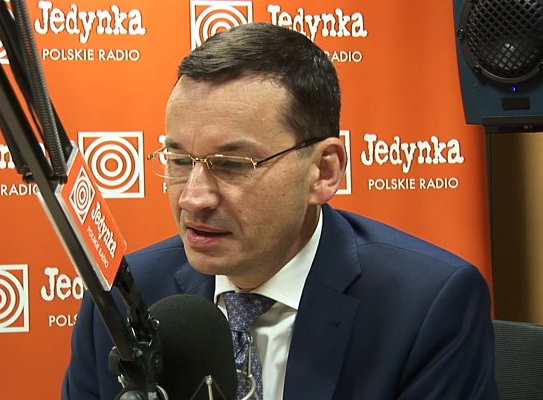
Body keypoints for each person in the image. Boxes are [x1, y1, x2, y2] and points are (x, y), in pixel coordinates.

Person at [62, 22, 498, 400]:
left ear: (324, 171)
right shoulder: (123, 300)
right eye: (179, 161)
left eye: (232, 164)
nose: (193, 198)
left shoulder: (426, 307)